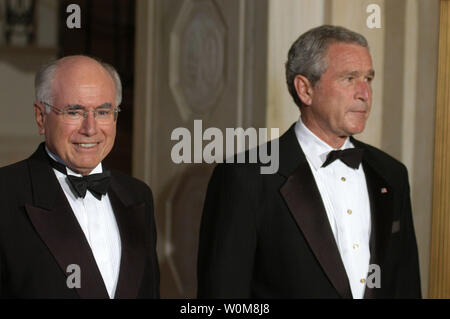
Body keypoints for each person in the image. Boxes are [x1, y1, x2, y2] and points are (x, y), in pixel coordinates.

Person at [197, 25, 421, 298]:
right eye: (349, 78)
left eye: (368, 79)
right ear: (305, 89)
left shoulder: (391, 173)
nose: (365, 93)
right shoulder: (244, 177)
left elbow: (406, 285)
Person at [0, 55, 159, 298]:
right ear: (41, 117)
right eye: (74, 111)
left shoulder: (138, 195)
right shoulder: (6, 193)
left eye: (103, 111)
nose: (91, 129)